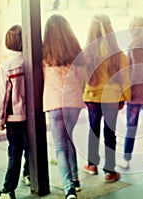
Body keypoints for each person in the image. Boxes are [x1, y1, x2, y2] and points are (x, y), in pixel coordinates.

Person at [83, 14, 130, 182]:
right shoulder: (117, 52)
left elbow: (82, 75)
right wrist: (125, 96)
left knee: (93, 130)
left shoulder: (88, 50)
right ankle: (110, 171)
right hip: (112, 98)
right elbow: (125, 76)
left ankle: (91, 164)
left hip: (92, 97)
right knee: (110, 132)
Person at [42, 14, 85, 199]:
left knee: (60, 147)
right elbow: (83, 77)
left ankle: (69, 189)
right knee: (70, 139)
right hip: (73, 101)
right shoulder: (75, 51)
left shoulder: (44, 52)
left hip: (54, 103)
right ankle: (75, 179)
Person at [117, 17, 143, 172]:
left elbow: (127, 73)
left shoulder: (132, 48)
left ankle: (126, 159)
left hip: (134, 96)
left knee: (131, 128)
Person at [0, 25, 29, 199]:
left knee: (15, 151)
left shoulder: (7, 66)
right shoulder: (31, 61)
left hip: (14, 117)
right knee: (31, 147)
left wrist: (0, 119)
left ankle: (8, 189)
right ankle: (29, 174)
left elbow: (2, 97)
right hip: (32, 115)